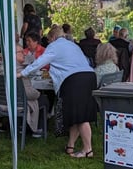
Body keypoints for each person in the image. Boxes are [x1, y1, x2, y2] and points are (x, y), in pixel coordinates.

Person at [19, 27, 97, 158]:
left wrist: (22, 73)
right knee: (76, 116)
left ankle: (87, 150)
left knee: (82, 117)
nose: (48, 43)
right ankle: (70, 146)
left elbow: (40, 62)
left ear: (53, 38)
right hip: (89, 76)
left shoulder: (54, 46)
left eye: (48, 40)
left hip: (74, 80)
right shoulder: (72, 45)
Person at [0, 45, 48, 137]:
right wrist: (38, 93)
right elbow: (29, 94)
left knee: (23, 98)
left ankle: (21, 125)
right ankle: (36, 129)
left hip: (3, 103)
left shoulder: (1, 69)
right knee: (43, 99)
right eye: (21, 52)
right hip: (18, 105)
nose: (24, 54)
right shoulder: (20, 73)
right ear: (13, 55)